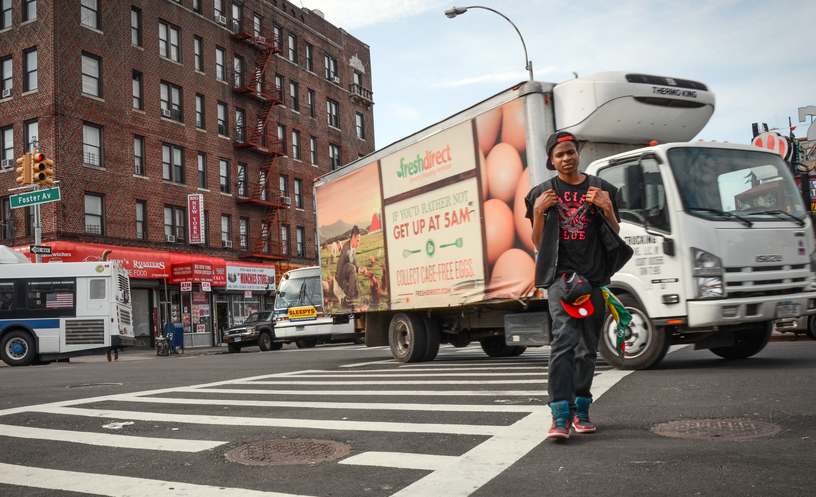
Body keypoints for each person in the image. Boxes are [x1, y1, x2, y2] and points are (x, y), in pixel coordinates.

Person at [525, 131, 627, 440]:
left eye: (570, 152)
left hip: (593, 276)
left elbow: (615, 232)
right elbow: (539, 243)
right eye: (559, 154)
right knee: (563, 342)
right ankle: (560, 414)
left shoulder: (602, 188)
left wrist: (607, 207)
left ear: (577, 154)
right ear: (551, 160)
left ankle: (581, 409)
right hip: (561, 278)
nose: (566, 158)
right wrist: (540, 211)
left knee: (587, 349)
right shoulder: (540, 193)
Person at [335, 225, 368, 306]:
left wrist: (361, 270)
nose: (358, 243)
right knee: (352, 268)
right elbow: (340, 264)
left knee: (356, 285)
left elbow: (355, 265)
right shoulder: (346, 248)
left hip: (349, 271)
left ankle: (351, 298)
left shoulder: (354, 249)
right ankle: (349, 298)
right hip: (343, 271)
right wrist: (339, 284)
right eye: (357, 240)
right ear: (353, 236)